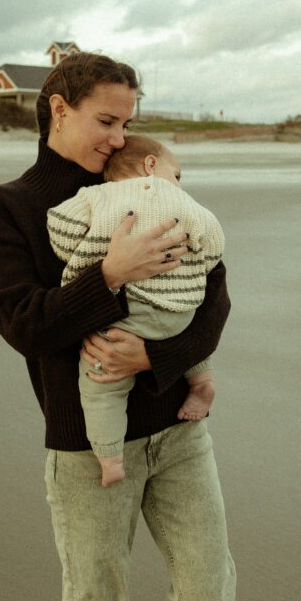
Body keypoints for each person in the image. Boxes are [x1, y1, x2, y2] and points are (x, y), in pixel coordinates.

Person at [0, 52, 247, 601]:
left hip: (181, 435)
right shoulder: (10, 206)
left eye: (126, 122)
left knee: (206, 592)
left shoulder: (146, 178)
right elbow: (24, 323)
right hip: (86, 447)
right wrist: (109, 276)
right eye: (104, 120)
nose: (116, 136)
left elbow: (213, 298)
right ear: (56, 106)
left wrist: (156, 356)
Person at [47, 134, 223, 487]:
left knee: (103, 385)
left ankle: (109, 457)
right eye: (177, 174)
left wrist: (87, 250)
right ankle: (201, 382)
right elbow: (215, 244)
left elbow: (62, 229)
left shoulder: (98, 195)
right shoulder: (186, 202)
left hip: (128, 316)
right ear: (151, 164)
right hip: (181, 311)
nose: (178, 183)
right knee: (183, 329)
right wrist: (194, 263)